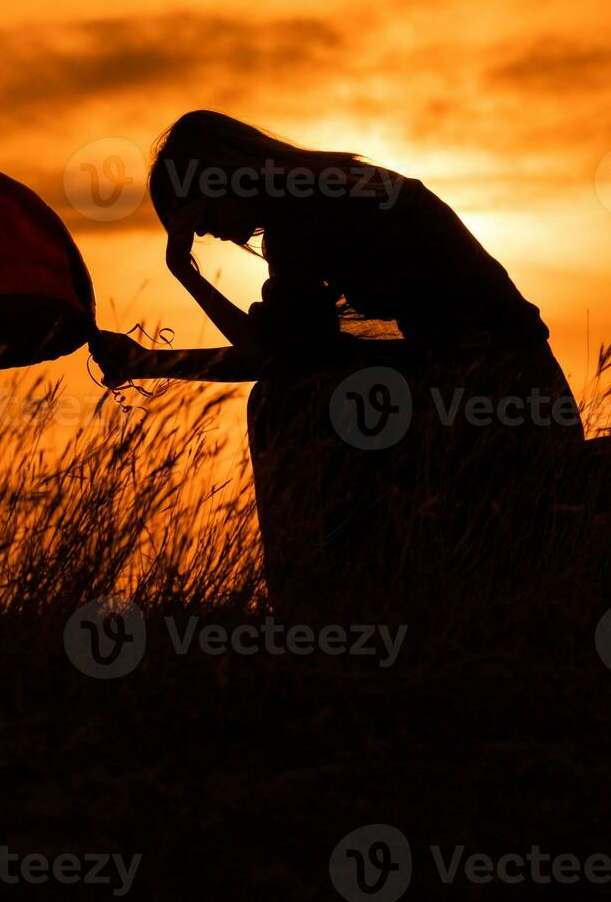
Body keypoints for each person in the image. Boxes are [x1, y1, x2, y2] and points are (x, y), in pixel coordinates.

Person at [90, 111, 584, 610]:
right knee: (306, 394)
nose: (205, 233)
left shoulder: (302, 214)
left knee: (283, 404)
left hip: (498, 391)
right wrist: (149, 358)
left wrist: (182, 277)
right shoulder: (323, 190)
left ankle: (310, 604)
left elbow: (268, 358)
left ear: (221, 175)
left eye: (196, 216)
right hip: (514, 388)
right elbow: (283, 349)